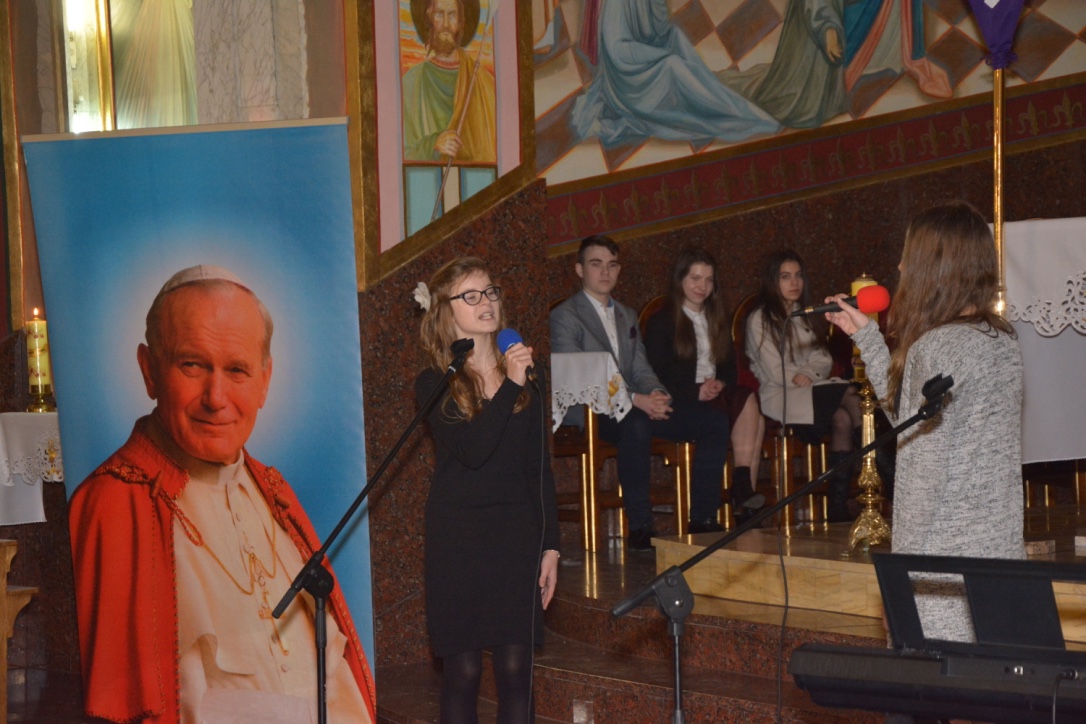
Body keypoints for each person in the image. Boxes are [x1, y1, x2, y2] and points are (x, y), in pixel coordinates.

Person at [68, 265, 376, 724]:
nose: (216, 397)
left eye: (237, 370)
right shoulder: (114, 503)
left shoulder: (275, 493)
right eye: (192, 365)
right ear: (149, 371)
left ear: (265, 381)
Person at [825, 201, 1024, 642]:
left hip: (941, 572)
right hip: (998, 560)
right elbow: (912, 419)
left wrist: (901, 581)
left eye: (908, 256)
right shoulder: (1001, 340)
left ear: (934, 268)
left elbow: (921, 480)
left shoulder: (935, 347)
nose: (900, 266)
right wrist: (867, 338)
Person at [414, 257, 559, 724]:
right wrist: (508, 385)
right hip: (459, 538)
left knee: (517, 670)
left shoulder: (527, 376)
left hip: (516, 535)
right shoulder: (435, 380)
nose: (486, 303)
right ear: (446, 310)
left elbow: (539, 468)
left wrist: (551, 545)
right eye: (471, 295)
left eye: (490, 292)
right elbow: (474, 450)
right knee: (464, 671)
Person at [550, 235, 732, 547]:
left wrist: (657, 393)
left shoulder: (627, 314)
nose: (605, 272)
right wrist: (636, 399)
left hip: (637, 403)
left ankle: (702, 519)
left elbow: (641, 368)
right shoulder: (565, 316)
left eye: (612, 265)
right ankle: (641, 527)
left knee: (712, 421)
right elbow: (580, 376)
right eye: (596, 264)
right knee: (635, 423)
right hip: (593, 410)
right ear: (579, 270)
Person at [644, 248, 766, 527]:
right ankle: (738, 498)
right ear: (680, 280)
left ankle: (742, 489)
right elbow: (657, 372)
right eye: (696, 278)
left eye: (709, 280)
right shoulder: (663, 321)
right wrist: (695, 390)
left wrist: (720, 383)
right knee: (742, 419)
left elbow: (729, 368)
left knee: (747, 398)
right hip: (680, 397)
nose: (702, 286)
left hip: (713, 393)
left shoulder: (716, 318)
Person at [745, 250, 862, 522]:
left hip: (812, 389)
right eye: (786, 277)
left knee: (843, 419)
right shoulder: (760, 318)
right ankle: (887, 471)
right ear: (772, 281)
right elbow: (775, 370)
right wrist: (804, 374)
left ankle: (837, 507)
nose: (794, 282)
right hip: (781, 395)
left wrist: (809, 372)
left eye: (798, 276)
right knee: (851, 393)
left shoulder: (805, 314)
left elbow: (823, 358)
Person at [402, 0, 497, 163]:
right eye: (439, 14)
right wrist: (433, 144)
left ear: (461, 22)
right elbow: (399, 153)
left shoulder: (484, 82)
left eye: (452, 15)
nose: (446, 24)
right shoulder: (411, 83)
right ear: (429, 19)